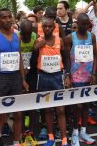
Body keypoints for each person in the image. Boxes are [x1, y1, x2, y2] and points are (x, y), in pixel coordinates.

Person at [0, 9, 28, 146]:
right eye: (4, 17)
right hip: (0, 78)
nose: (8, 19)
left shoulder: (17, 36)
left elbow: (19, 57)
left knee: (18, 114)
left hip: (15, 77)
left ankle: (16, 142)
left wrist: (23, 79)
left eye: (10, 17)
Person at [34, 18, 71, 146]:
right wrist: (36, 48)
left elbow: (66, 58)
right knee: (48, 109)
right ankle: (51, 137)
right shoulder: (38, 41)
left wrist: (67, 75)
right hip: (43, 76)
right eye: (45, 27)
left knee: (60, 109)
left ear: (54, 27)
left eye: (50, 26)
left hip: (57, 76)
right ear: (42, 28)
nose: (47, 29)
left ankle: (64, 139)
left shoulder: (59, 40)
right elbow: (33, 61)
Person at [64, 13, 97, 146]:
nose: (85, 26)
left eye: (87, 24)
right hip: (75, 76)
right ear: (77, 23)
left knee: (86, 105)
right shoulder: (69, 38)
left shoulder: (92, 36)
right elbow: (66, 58)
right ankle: (75, 133)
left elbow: (94, 55)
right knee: (77, 106)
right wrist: (67, 75)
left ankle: (83, 131)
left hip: (88, 76)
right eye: (83, 23)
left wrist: (94, 73)